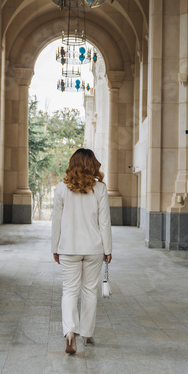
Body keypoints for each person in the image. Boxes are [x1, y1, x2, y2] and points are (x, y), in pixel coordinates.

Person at [51, 148, 112, 354]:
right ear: (92, 164)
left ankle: (70, 332)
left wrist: (55, 247)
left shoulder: (61, 188)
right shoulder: (100, 189)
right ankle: (86, 333)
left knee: (70, 290)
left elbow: (56, 221)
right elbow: (104, 222)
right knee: (89, 290)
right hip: (94, 248)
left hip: (68, 247)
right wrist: (108, 249)